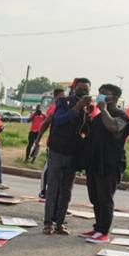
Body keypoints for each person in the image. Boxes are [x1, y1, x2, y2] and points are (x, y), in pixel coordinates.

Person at [80, 84, 129, 243]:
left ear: (115, 97)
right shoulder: (98, 116)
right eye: (100, 93)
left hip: (110, 163)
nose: (101, 96)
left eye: (105, 94)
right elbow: (86, 133)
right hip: (95, 162)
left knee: (105, 197)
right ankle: (97, 228)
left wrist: (103, 110)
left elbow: (112, 127)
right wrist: (87, 116)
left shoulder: (121, 116)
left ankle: (104, 232)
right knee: (95, 197)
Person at [43, 78, 92, 235]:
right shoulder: (63, 102)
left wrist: (89, 116)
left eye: (86, 90)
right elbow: (59, 120)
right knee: (53, 188)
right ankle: (48, 223)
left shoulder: (87, 108)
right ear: (74, 88)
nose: (83, 92)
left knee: (66, 190)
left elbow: (85, 131)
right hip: (57, 151)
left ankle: (60, 223)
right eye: (80, 88)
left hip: (73, 154)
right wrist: (77, 107)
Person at [34, 87, 66, 196]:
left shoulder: (70, 108)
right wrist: (38, 139)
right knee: (48, 167)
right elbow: (45, 124)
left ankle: (57, 192)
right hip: (54, 144)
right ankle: (43, 190)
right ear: (56, 97)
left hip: (67, 145)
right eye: (62, 96)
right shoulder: (54, 108)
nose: (64, 98)